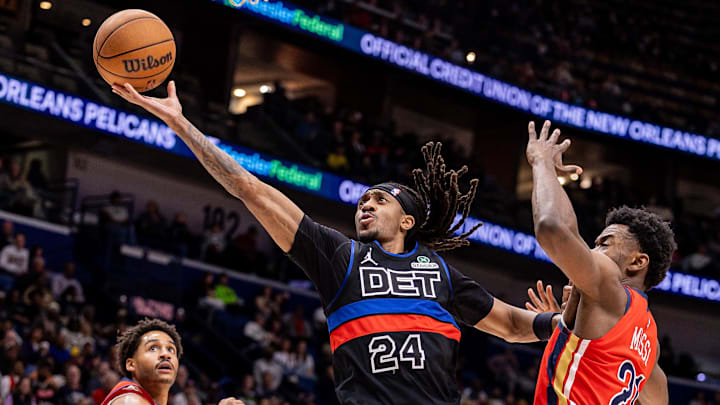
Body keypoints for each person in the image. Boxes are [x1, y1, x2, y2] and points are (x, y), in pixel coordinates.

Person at [112, 81, 562, 404]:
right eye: (362, 199)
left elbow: (510, 324)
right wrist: (180, 124)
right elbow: (251, 189)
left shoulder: (440, 272)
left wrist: (560, 324)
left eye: (378, 199)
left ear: (406, 219)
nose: (364, 205)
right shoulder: (340, 256)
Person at [525, 120, 673, 404]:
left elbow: (552, 228)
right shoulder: (649, 343)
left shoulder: (608, 281)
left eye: (604, 243)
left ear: (637, 262)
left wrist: (541, 163)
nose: (593, 251)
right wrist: (566, 329)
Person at [101, 318, 244, 405]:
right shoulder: (129, 399)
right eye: (153, 348)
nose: (165, 354)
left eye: (171, 350)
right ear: (131, 364)